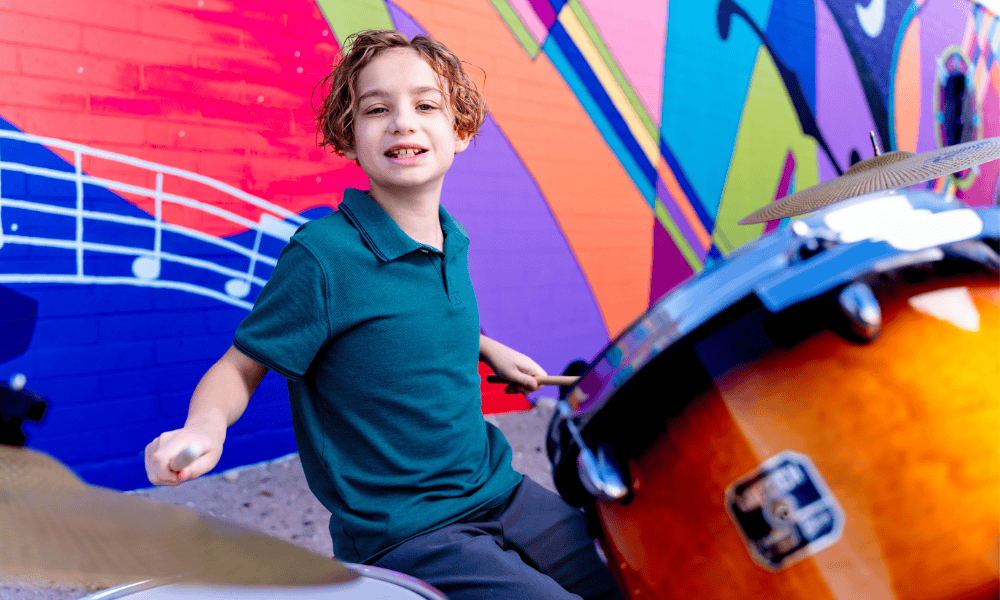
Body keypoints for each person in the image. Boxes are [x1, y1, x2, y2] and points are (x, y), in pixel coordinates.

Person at [144, 30, 621, 600]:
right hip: (407, 532)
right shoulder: (323, 257)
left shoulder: (452, 237)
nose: (403, 122)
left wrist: (488, 349)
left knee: (632, 569)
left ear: (461, 131)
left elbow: (414, 314)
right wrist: (205, 426)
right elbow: (240, 366)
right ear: (348, 138)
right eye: (377, 109)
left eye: (425, 105)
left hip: (499, 489)